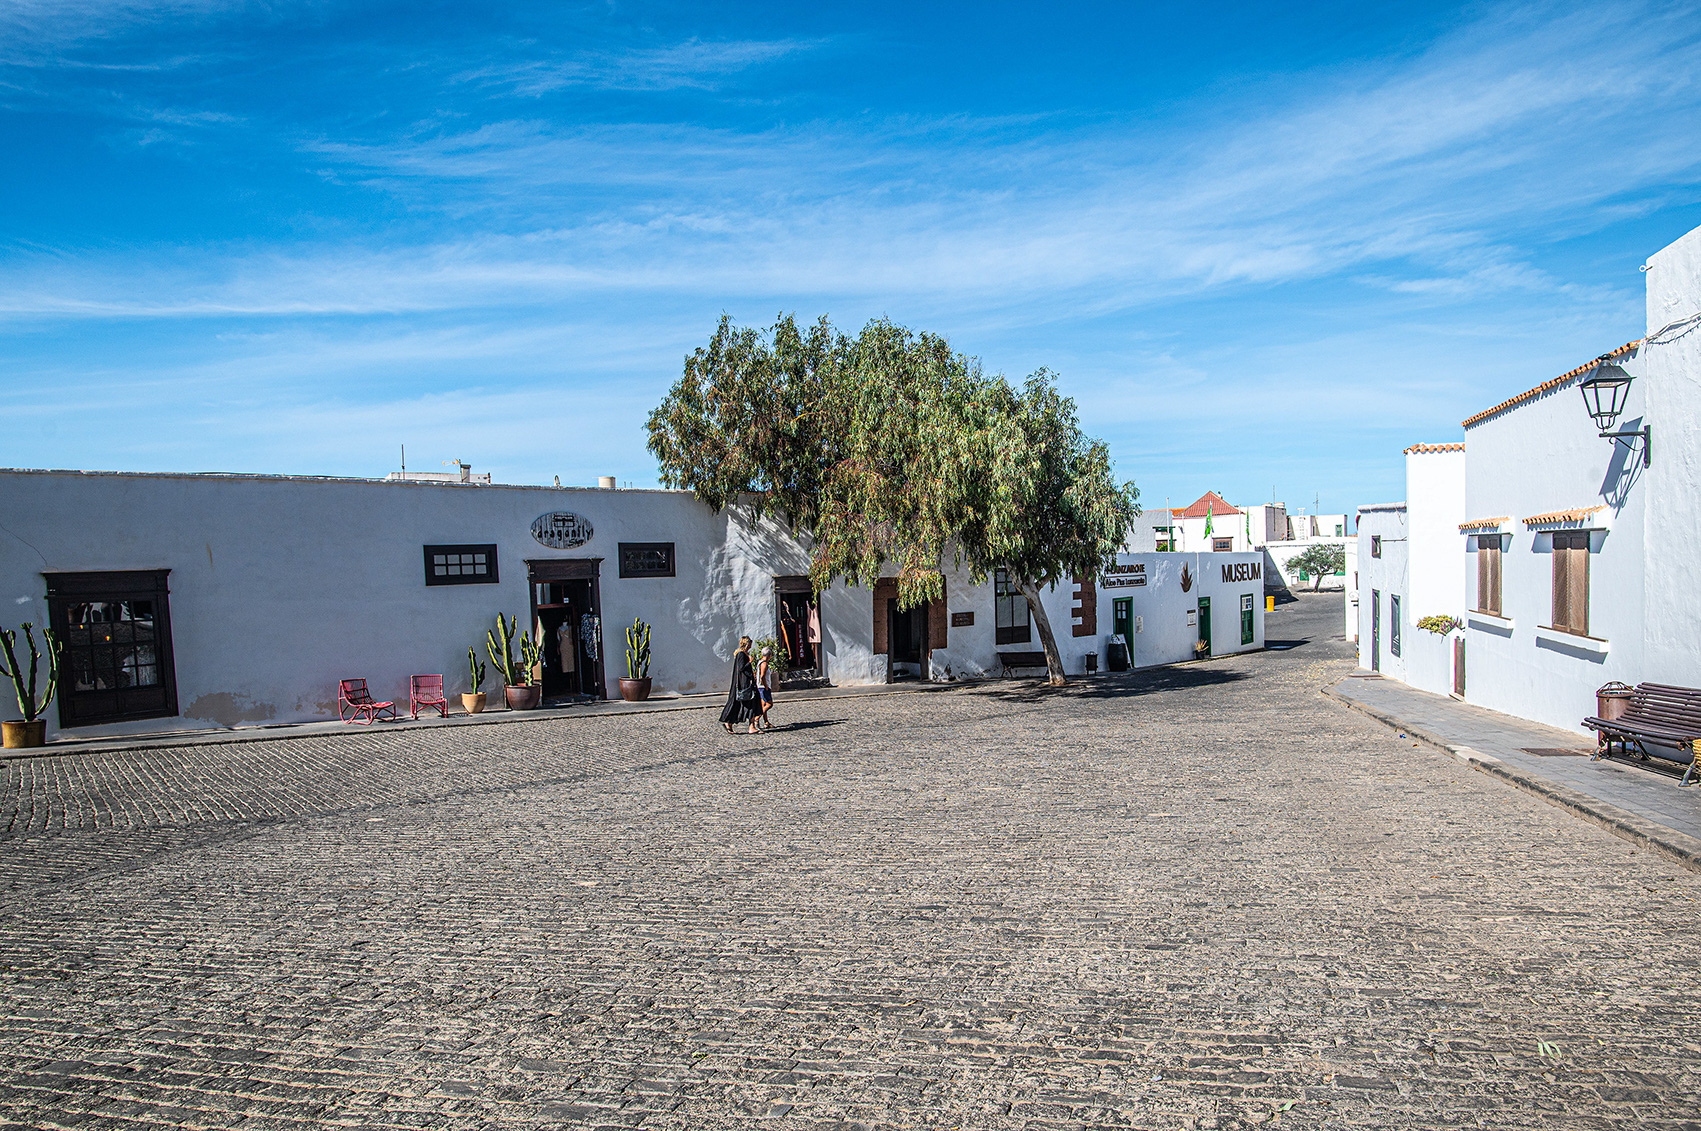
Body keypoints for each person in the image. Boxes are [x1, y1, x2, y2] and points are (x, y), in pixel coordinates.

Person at [720, 636, 761, 734]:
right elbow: (742, 668)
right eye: (750, 643)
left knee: (749, 704)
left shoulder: (742, 654)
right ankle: (733, 723)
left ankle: (749, 725)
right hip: (744, 685)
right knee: (747, 703)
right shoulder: (741, 654)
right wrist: (750, 662)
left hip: (746, 683)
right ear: (746, 643)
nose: (751, 645)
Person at [755, 645, 778, 730]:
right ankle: (757, 718)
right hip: (763, 687)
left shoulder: (760, 662)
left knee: (763, 704)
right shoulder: (764, 664)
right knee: (769, 704)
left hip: (760, 686)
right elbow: (762, 676)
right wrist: (766, 686)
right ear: (769, 656)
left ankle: (766, 722)